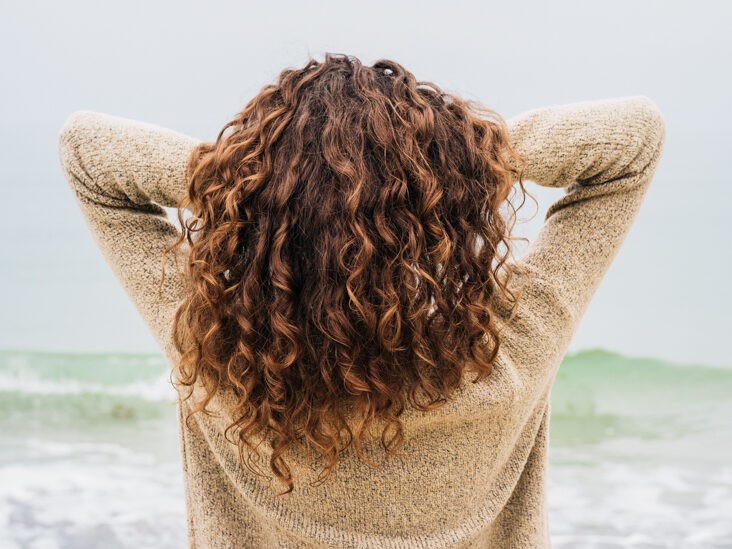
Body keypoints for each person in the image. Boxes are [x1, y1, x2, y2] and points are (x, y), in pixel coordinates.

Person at [57, 53, 666, 548]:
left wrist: (254, 179)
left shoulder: (221, 360)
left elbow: (87, 152)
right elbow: (634, 140)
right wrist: (450, 164)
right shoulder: (506, 363)